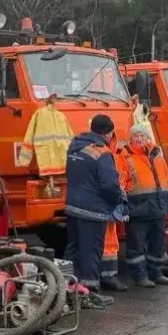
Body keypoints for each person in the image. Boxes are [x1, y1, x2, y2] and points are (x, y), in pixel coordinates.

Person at [64, 114, 127, 292]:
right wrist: (117, 200)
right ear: (108, 134)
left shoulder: (75, 145)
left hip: (72, 206)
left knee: (73, 250)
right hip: (93, 210)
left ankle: (66, 287)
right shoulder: (103, 153)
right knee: (91, 252)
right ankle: (89, 290)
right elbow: (109, 184)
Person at [115, 124, 168, 287]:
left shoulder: (157, 155)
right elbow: (120, 184)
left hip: (157, 208)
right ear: (131, 138)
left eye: (142, 135)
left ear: (148, 137)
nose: (139, 138)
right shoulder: (124, 157)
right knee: (136, 245)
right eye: (136, 136)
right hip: (138, 209)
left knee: (158, 243)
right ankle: (140, 276)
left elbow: (166, 181)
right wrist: (123, 207)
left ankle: (156, 273)